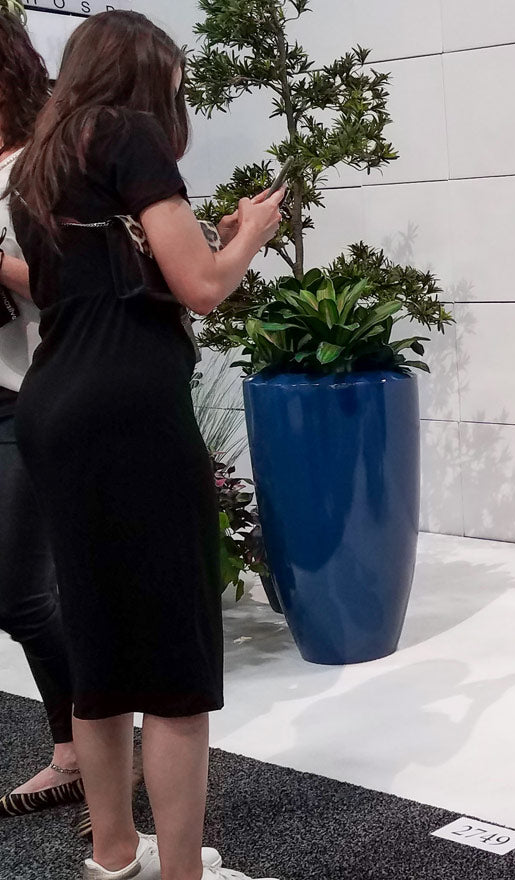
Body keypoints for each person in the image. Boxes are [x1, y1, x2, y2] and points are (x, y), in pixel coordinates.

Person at [7, 10, 283, 880]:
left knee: (98, 653)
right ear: (148, 74)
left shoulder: (39, 163)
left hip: (53, 403)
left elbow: (77, 285)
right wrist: (250, 235)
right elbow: (200, 287)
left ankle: (115, 858)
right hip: (130, 409)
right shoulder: (125, 133)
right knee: (172, 665)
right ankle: (183, 875)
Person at [0, 8, 84, 819]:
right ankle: (74, 752)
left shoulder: (37, 168)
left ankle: (91, 748)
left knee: (22, 593)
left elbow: (70, 284)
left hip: (36, 393)